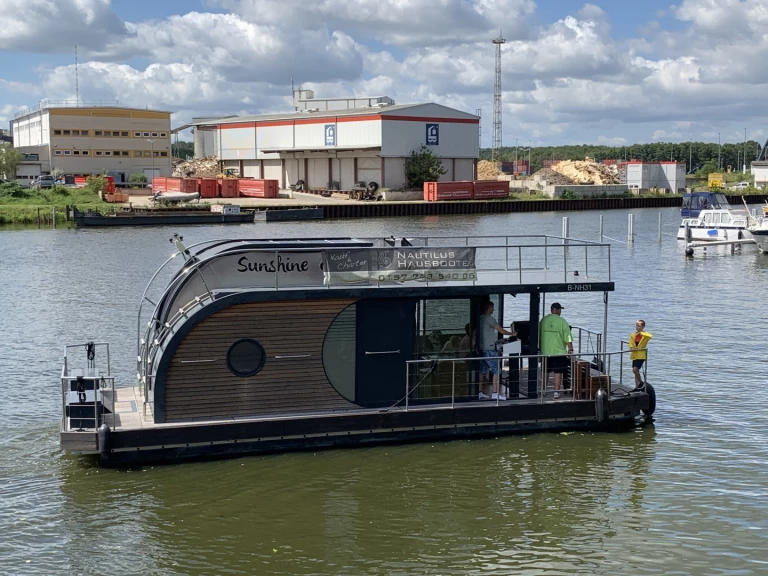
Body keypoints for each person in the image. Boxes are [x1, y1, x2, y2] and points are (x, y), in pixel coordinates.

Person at [477, 301, 516, 400]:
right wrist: (512, 334)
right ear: (488, 308)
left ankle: (479, 392)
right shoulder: (490, 319)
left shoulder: (480, 318)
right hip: (489, 349)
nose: (493, 310)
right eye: (492, 308)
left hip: (481, 349)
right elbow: (501, 330)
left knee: (482, 370)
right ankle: (495, 393)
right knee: (497, 370)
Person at [539, 302, 573, 399]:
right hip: (559, 352)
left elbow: (538, 335)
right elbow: (568, 337)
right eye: (560, 309)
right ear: (557, 310)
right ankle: (556, 392)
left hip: (545, 352)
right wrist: (570, 349)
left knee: (545, 371)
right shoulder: (562, 321)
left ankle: (543, 391)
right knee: (557, 372)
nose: (560, 311)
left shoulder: (543, 320)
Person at [628, 320, 652, 390]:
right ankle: (637, 386)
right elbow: (631, 343)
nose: (637, 327)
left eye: (638, 325)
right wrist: (632, 347)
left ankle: (641, 382)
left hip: (641, 355)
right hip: (635, 355)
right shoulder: (633, 335)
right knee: (636, 371)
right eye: (636, 325)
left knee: (635, 370)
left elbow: (650, 336)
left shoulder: (645, 335)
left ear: (643, 327)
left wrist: (640, 333)